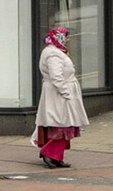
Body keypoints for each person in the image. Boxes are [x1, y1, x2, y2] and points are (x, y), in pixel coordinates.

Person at [33, 26, 88, 168]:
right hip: (59, 95)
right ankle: (49, 153)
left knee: (65, 126)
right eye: (66, 37)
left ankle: (56, 156)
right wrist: (66, 92)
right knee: (63, 126)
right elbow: (56, 76)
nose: (68, 39)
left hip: (61, 93)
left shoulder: (56, 52)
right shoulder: (53, 54)